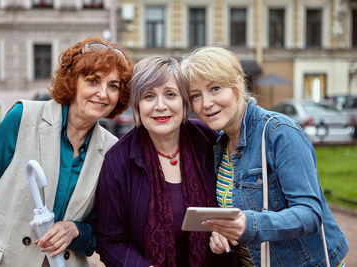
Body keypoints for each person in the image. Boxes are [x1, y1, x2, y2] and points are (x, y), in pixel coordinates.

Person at [0, 37, 133, 266]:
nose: (103, 93)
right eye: (93, 81)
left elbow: (103, 231)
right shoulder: (22, 117)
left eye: (113, 86)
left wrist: (75, 230)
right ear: (73, 82)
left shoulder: (111, 149)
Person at [180, 46, 349, 266]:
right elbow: (235, 210)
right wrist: (222, 234)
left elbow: (310, 214)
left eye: (215, 88)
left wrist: (249, 224)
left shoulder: (278, 132)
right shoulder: (219, 144)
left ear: (238, 84)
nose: (206, 103)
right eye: (196, 95)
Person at [96, 56, 239, 266]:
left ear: (184, 101)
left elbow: (232, 203)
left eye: (170, 94)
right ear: (136, 105)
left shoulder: (209, 140)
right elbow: (110, 242)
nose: (160, 106)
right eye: (149, 96)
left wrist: (223, 239)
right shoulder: (118, 160)